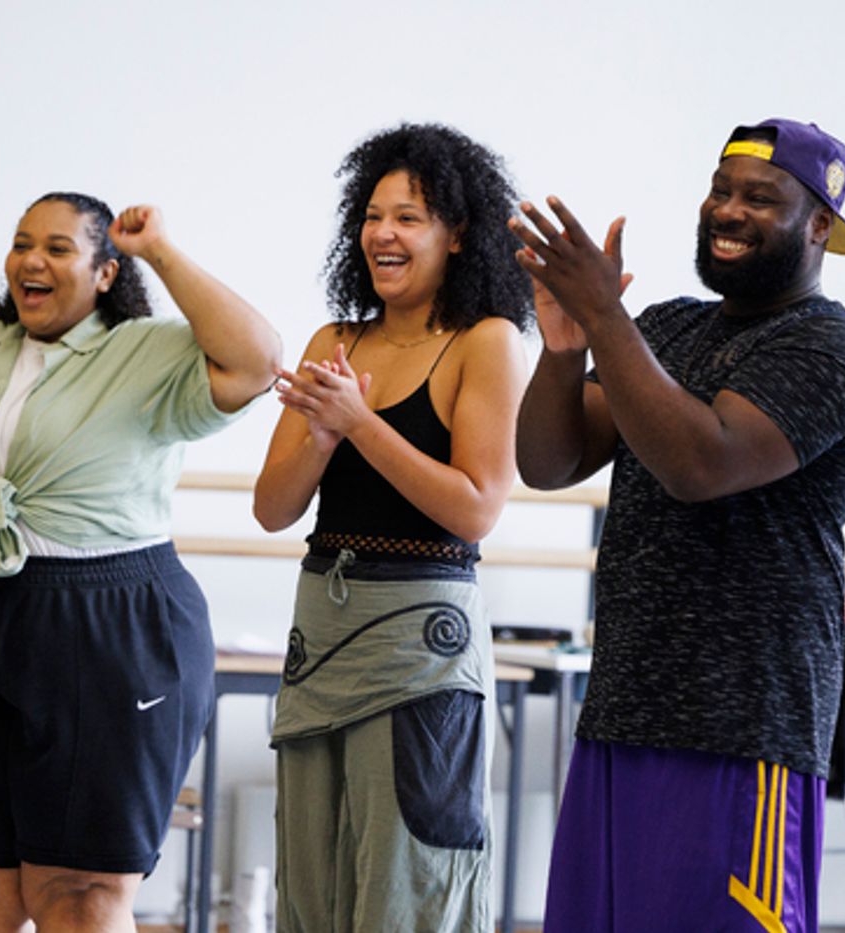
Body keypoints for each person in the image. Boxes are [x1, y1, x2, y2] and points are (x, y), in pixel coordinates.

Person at [0, 89, 280, 933]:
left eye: (58, 248)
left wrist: (165, 251)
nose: (30, 260)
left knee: (80, 891)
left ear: (106, 272)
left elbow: (256, 358)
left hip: (110, 619)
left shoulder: (144, 353)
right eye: (20, 243)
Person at [512, 119, 845, 931]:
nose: (728, 210)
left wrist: (608, 321)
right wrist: (566, 347)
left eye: (761, 197)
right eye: (721, 189)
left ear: (819, 224)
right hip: (623, 713)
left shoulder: (831, 347)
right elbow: (547, 462)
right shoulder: (669, 327)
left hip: (742, 732)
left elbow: (700, 465)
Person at [254, 123, 531, 932]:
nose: (384, 234)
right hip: (321, 633)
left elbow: (476, 505)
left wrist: (362, 424)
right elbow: (273, 509)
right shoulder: (333, 341)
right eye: (374, 215)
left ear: (458, 233)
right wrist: (323, 434)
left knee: (408, 881)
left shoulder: (489, 342)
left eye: (409, 217)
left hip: (420, 648)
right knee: (310, 880)